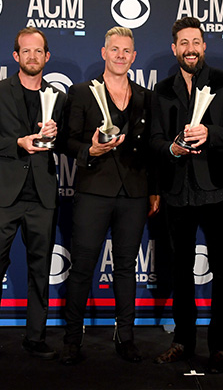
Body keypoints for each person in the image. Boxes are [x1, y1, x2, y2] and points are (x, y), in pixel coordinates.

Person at [150, 17, 223, 373]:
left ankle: (220, 345)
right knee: (180, 271)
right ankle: (183, 341)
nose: (190, 49)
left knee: (222, 269)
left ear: (204, 46)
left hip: (218, 190)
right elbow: (155, 140)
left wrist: (210, 133)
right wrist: (171, 149)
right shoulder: (162, 90)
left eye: (195, 42)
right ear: (174, 48)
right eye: (183, 43)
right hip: (177, 192)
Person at [60, 27, 159, 365]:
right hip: (93, 191)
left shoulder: (146, 97)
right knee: (82, 267)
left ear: (134, 56)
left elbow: (153, 149)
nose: (120, 55)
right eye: (114, 49)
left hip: (134, 193)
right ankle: (72, 339)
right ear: (104, 53)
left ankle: (125, 337)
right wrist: (89, 150)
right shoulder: (81, 92)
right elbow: (67, 141)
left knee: (126, 268)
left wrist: (154, 190)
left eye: (126, 50)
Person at [0, 27, 66, 359]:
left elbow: (67, 143)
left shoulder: (58, 97)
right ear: (16, 56)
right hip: (5, 196)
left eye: (38, 51)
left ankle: (35, 337)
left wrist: (57, 135)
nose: (32, 56)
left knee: (41, 270)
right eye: (26, 51)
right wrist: (18, 143)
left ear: (47, 56)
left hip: (42, 196)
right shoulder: (1, 92)